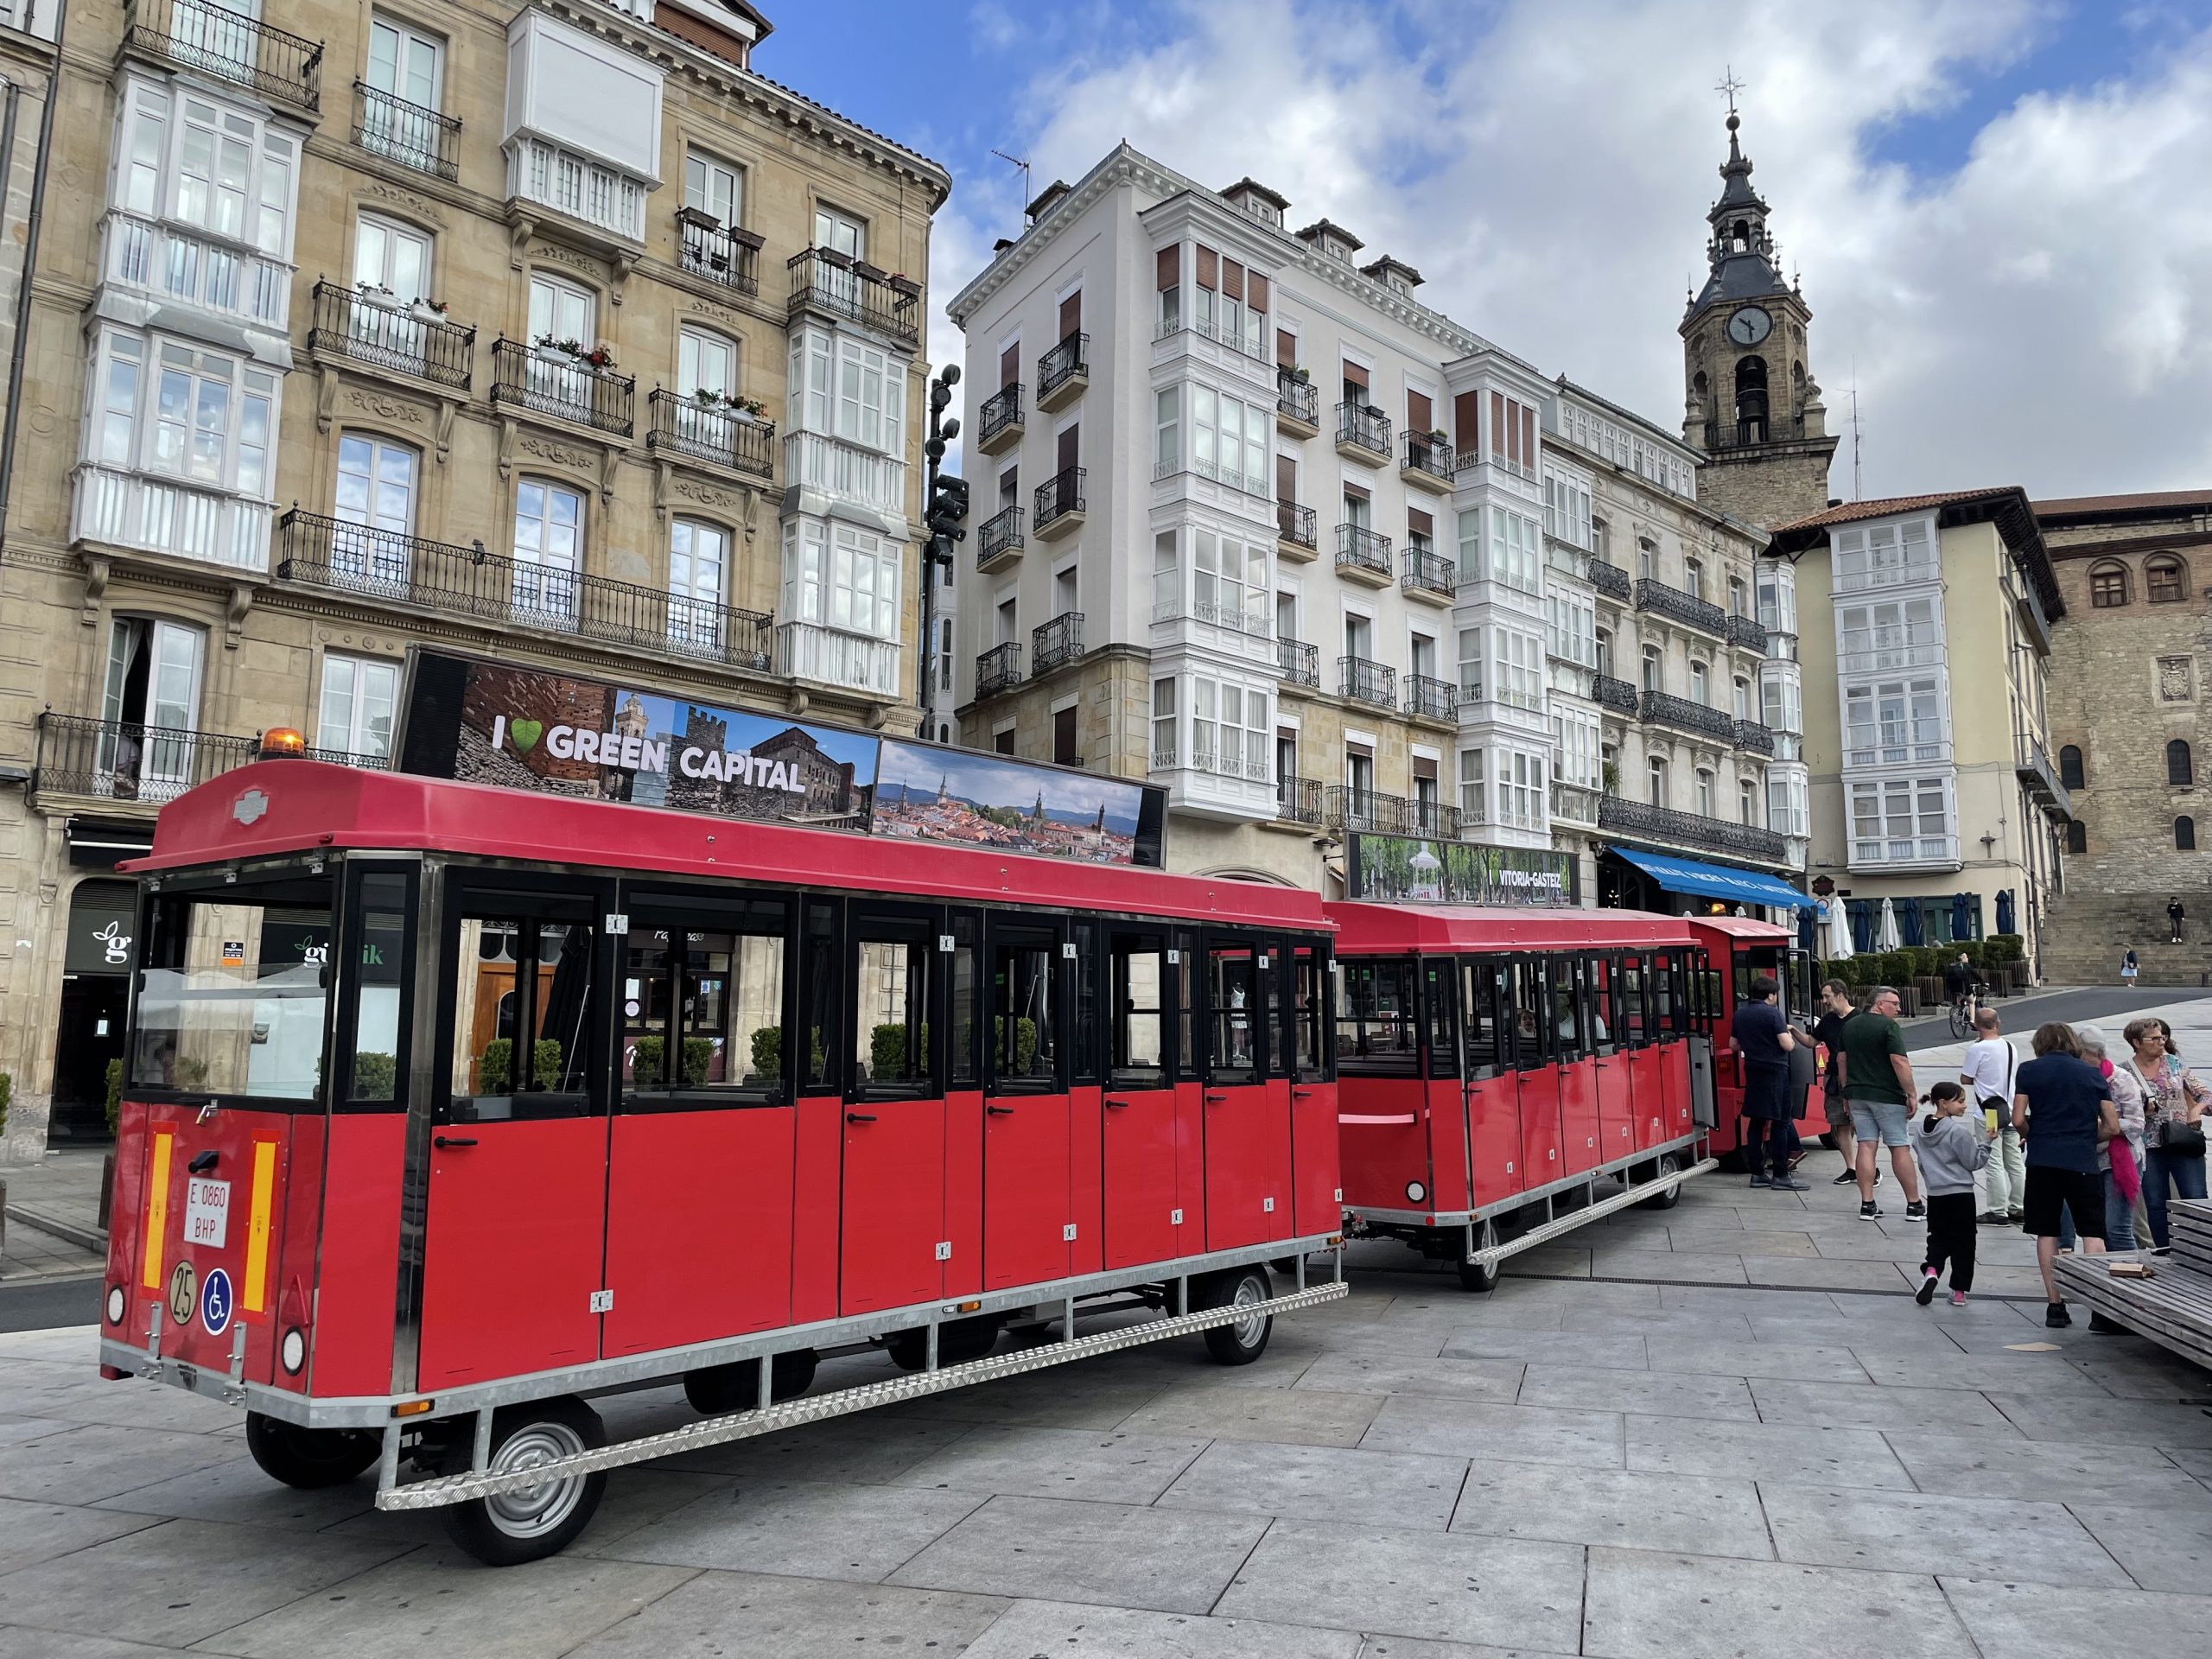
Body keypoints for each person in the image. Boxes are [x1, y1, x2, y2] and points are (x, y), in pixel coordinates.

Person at [2013, 1021, 2122, 1328]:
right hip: (2082, 1161)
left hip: (2043, 1161)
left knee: (2047, 1231)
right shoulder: (2092, 1073)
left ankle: (2055, 1307)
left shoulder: (2029, 1070)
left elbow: (2018, 1118)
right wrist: (2087, 1138)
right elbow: (2112, 1126)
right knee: (2092, 1232)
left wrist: (2034, 1134)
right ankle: (2098, 1308)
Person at [1837, 985, 1924, 1221]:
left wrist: (1846, 1092)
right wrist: (1911, 1093)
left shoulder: (1850, 1025)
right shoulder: (1888, 1027)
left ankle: (1867, 1205)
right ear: (1879, 1004)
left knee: (1866, 1145)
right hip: (1887, 1095)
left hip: (1857, 1094)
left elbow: (1841, 1060)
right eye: (1894, 1004)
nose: (1898, 1009)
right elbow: (1899, 1061)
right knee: (1899, 1146)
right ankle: (1914, 1205)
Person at [2126, 1017, 2209, 1250]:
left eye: (2162, 1037)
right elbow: (2117, 1109)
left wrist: (2196, 1109)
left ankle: (2201, 1250)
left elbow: (2205, 1094)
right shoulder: (2125, 1071)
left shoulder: (2174, 1064)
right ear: (2136, 1042)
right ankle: (2165, 1252)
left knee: (2196, 1198)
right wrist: (2141, 1111)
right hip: (2149, 1145)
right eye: (2153, 1038)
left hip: (2183, 1141)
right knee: (2155, 1203)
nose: (2161, 1042)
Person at [1912, 1081, 1990, 1306]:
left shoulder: (1920, 1131)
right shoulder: (1958, 1132)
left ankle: (1932, 1270)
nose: (1965, 1105)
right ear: (1944, 1103)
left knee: (1937, 1237)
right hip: (1960, 1194)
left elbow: (1922, 1162)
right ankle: (1958, 1292)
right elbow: (1973, 1162)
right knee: (1964, 1242)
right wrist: (1987, 1143)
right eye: (1960, 1101)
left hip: (1936, 1195)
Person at [1731, 974, 1803, 1191]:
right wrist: (1789, 1036)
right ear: (1771, 995)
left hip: (1753, 1071)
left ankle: (1757, 1174)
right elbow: (1787, 1045)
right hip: (1776, 1071)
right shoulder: (1773, 1014)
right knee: (1781, 1122)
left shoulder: (1740, 1014)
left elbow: (1733, 1044)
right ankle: (1781, 1175)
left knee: (1756, 1122)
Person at [2074, 1025, 2141, 1251]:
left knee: (2116, 1227)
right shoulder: (2077, 1078)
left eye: (2082, 1054)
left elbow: (2136, 1123)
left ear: (2095, 1054)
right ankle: (2108, 1269)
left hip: (2119, 1159)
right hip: (2089, 1159)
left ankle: (2129, 1268)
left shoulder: (2121, 1079)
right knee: (2098, 1227)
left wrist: (2104, 1125)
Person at [1960, 1007, 2023, 1224]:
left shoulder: (1977, 1049)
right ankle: (2019, 1207)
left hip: (1990, 1113)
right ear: (1998, 1023)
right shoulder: (2010, 1046)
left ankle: (1998, 1210)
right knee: (2015, 1162)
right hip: (2011, 1109)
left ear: (1977, 1025)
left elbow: (1965, 1078)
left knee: (1993, 1161)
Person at [1812, 979, 1870, 1187]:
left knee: (1861, 1123)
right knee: (1840, 1123)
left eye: (1827, 996)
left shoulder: (1860, 1018)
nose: (1824, 1001)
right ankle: (1851, 1168)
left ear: (1840, 995)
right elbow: (1811, 1041)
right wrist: (1792, 1030)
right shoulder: (1827, 1020)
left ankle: (1870, 1167)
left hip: (1857, 1077)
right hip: (1834, 1077)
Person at [1942, 951, 1976, 1019]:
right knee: (1972, 1002)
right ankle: (1972, 1020)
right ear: (1962, 959)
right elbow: (1975, 975)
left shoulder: (1952, 966)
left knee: (1960, 1000)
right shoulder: (1966, 966)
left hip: (1953, 989)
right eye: (1966, 957)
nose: (1967, 958)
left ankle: (1960, 1011)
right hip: (1963, 989)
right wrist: (1983, 983)